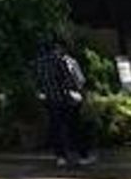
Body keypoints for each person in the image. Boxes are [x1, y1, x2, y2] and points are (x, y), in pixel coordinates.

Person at [34, 38, 95, 168]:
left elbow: (38, 82)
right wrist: (76, 92)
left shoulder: (39, 63)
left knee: (56, 128)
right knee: (74, 127)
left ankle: (60, 156)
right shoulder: (61, 61)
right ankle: (82, 155)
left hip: (51, 100)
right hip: (66, 99)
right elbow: (70, 80)